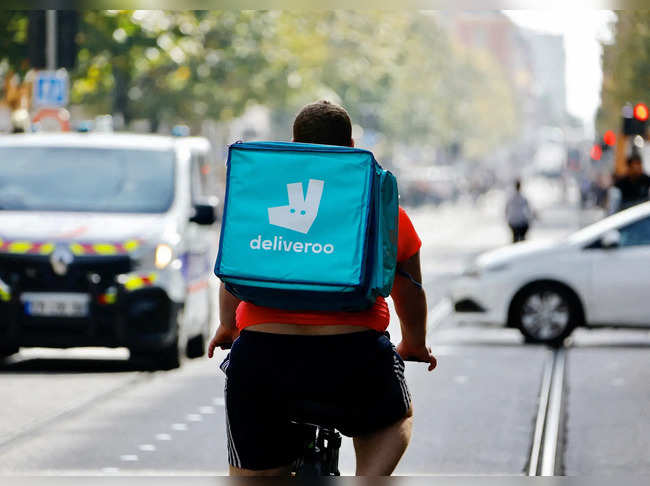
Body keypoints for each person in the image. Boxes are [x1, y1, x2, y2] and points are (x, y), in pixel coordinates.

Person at [208, 100, 436, 476]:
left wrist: (229, 326)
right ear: (351, 146)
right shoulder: (380, 207)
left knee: (254, 478)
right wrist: (414, 341)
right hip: (353, 358)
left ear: (294, 143)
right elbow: (409, 289)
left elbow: (236, 271)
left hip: (262, 357)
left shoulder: (265, 200)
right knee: (393, 421)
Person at [505, 179, 533, 243]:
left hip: (513, 222)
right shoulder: (523, 198)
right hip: (521, 222)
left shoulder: (510, 197)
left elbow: (506, 209)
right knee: (522, 238)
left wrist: (508, 218)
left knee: (515, 238)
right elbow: (528, 210)